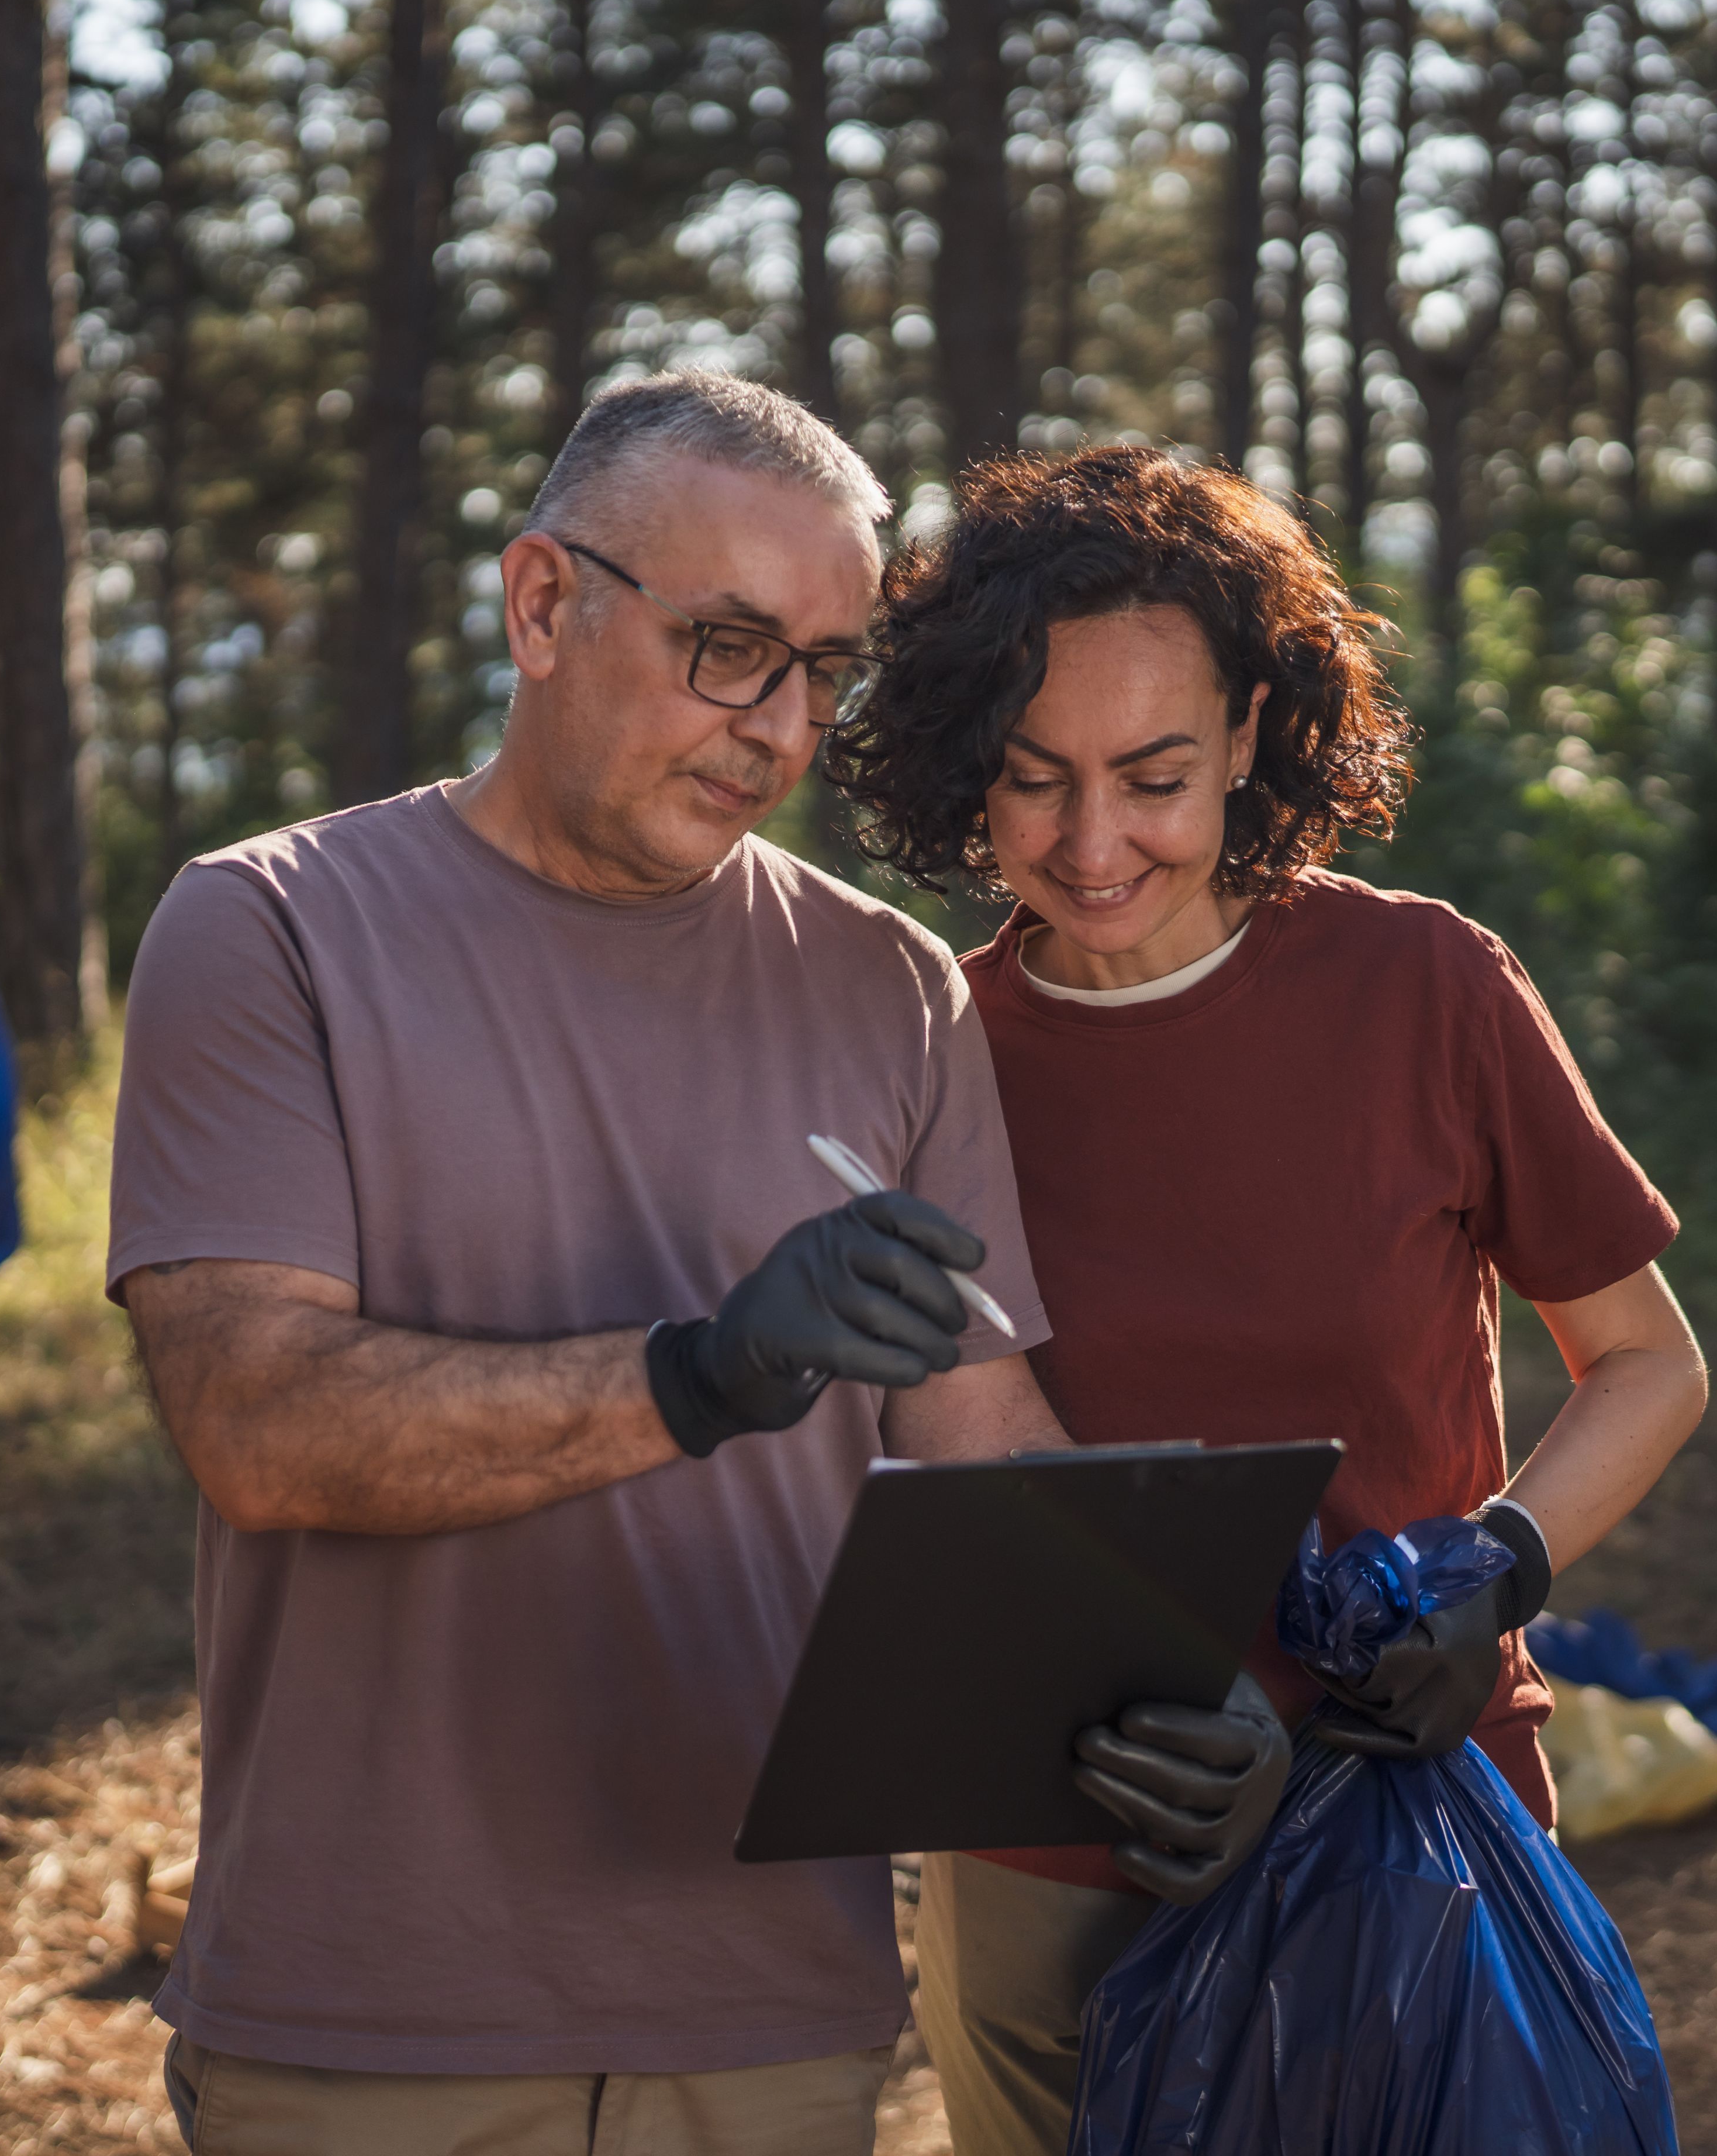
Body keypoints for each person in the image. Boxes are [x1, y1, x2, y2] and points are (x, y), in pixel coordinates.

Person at [106, 374, 1293, 2156]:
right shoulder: (271, 927)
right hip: (370, 2009)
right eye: (730, 646)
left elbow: (990, 1449)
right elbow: (257, 1428)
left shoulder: (889, 989)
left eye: (824, 670)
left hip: (772, 2018)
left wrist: (1194, 1691)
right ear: (542, 605)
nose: (778, 724)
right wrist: (696, 1376)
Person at [821, 446, 1711, 2156]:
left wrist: (1498, 1570)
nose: (1093, 847)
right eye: (1031, 781)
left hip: (1415, 1817)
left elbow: (1649, 1366)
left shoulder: (1423, 988)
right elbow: (936, 1451)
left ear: (1248, 733)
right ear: (962, 770)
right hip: (1056, 1845)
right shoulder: (926, 1046)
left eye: (1155, 775)